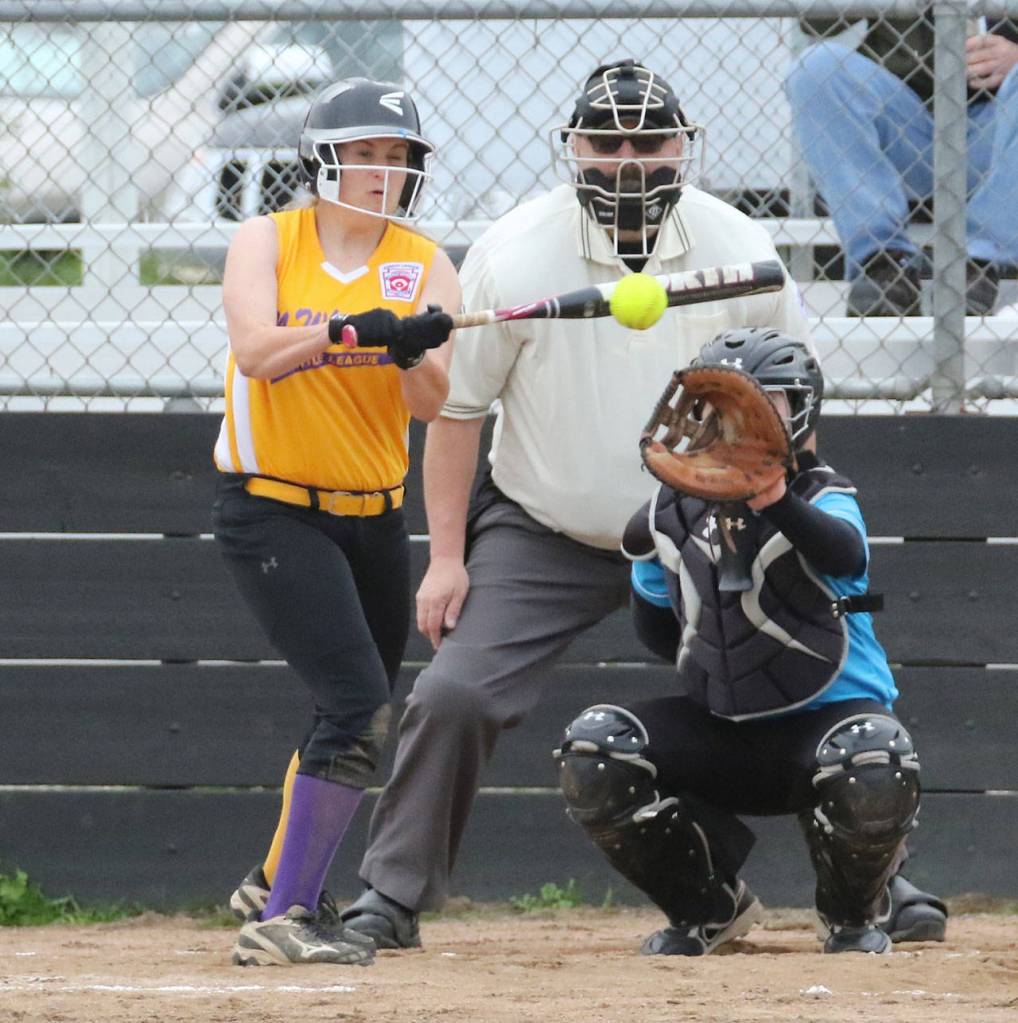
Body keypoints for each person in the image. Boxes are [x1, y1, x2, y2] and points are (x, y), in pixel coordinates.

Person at [232, 58, 942, 950]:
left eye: (651, 140)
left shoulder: (743, 250)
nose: (629, 159)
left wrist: (770, 516)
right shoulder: (515, 250)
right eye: (605, 142)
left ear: (686, 148)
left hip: (707, 526)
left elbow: (794, 413)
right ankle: (390, 894)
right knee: (454, 693)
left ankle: (884, 880)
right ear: (573, 150)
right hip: (546, 525)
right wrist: (447, 556)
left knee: (800, 680)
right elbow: (457, 413)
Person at [555, 326, 941, 955]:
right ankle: (709, 909)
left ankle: (853, 915)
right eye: (722, 405)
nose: (738, 420)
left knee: (876, 753)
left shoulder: (825, 495)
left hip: (825, 730)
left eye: (765, 403)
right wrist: (673, 567)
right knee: (599, 747)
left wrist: (772, 499)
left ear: (802, 409)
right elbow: (659, 636)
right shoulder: (668, 512)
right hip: (725, 729)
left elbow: (843, 555)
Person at [212, 77, 459, 966]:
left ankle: (275, 878)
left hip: (373, 518)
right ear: (325, 158)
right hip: (272, 507)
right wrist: (347, 331)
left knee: (344, 707)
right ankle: (285, 915)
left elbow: (434, 400)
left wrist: (407, 347)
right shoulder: (267, 239)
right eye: (366, 155)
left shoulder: (424, 260)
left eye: (397, 158)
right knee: (360, 707)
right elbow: (256, 350)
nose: (382, 172)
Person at [784, 14, 1018, 316]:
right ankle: (884, 266)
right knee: (815, 67)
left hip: (999, 133)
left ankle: (978, 266)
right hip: (907, 127)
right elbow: (815, 18)